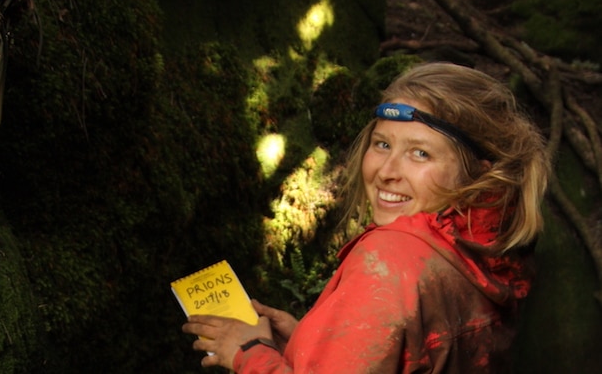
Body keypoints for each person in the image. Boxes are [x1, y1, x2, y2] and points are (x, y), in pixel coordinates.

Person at [182, 62, 550, 373]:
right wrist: (311, 340)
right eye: (383, 144)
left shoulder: (392, 261)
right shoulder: (485, 255)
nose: (386, 170)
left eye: (420, 153)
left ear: (477, 174)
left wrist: (249, 354)